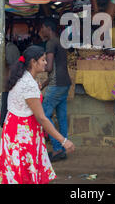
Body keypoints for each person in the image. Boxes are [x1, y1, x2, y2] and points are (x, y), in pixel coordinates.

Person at [0, 45, 75, 184]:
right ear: (33, 62)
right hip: (22, 135)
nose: (46, 63)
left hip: (16, 130)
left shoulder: (23, 78)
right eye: (43, 60)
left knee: (17, 174)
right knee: (24, 175)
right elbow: (42, 118)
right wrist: (63, 141)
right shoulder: (28, 84)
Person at [39, 18, 72, 162]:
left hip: (57, 84)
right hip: (65, 83)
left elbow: (50, 67)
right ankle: (63, 147)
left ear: (48, 28)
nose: (41, 31)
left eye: (42, 28)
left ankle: (58, 149)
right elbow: (57, 68)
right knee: (61, 117)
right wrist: (45, 83)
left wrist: (36, 66)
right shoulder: (60, 41)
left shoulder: (51, 43)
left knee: (44, 116)